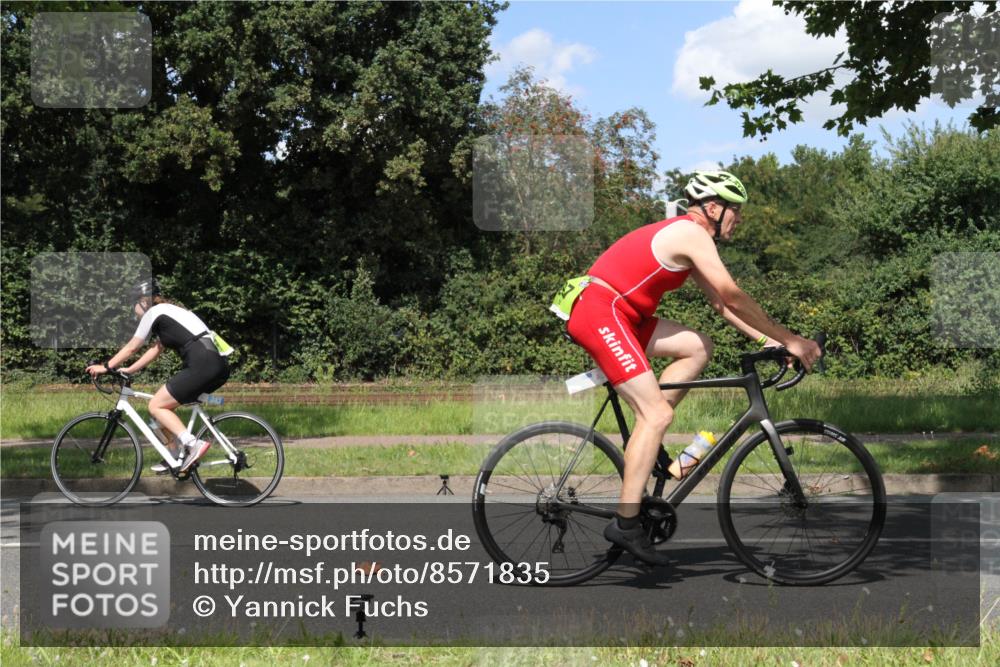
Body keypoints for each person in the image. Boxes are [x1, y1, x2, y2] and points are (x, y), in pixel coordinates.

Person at [560, 170, 822, 565]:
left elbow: (720, 305)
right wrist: (793, 339)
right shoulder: (690, 234)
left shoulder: (693, 239)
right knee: (657, 413)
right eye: (736, 210)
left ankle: (654, 447)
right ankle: (626, 524)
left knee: (698, 347)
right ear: (713, 208)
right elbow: (734, 296)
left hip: (624, 314)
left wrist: (767, 341)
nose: (739, 219)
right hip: (602, 310)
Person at [86, 279, 231, 473]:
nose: (133, 310)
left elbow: (132, 347)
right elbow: (156, 349)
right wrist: (128, 370)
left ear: (144, 301)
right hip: (218, 364)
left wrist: (105, 367)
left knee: (156, 405)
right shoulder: (172, 312)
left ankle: (192, 444)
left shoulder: (155, 312)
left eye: (133, 304)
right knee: (162, 412)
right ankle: (174, 455)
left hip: (202, 363)